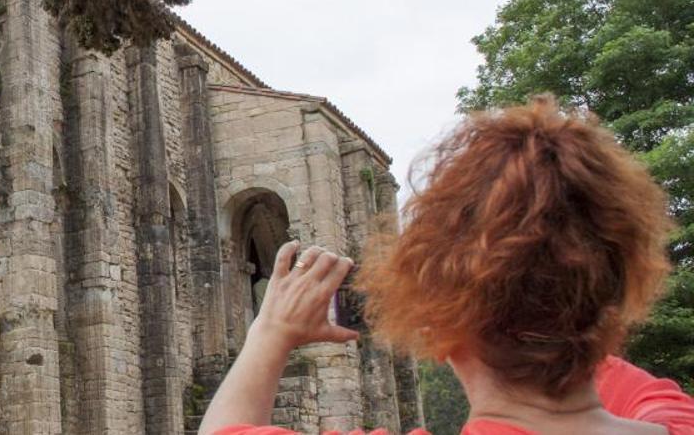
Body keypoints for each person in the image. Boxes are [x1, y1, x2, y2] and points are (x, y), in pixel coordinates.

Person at [200, 96, 694, 435]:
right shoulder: (674, 419)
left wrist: (270, 332)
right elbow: (570, 332)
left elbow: (226, 429)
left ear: (442, 322)